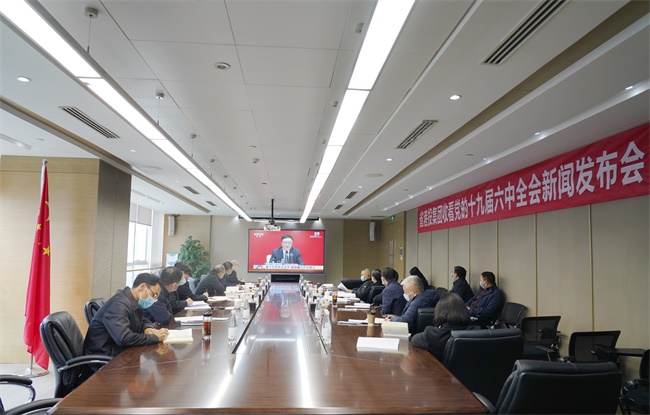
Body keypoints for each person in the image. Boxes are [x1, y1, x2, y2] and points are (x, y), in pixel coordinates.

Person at [83, 273, 168, 358]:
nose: (154, 299)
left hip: (118, 351)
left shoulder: (131, 301)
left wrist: (148, 328)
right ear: (142, 287)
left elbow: (142, 320)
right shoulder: (118, 305)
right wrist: (155, 338)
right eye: (154, 295)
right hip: (103, 356)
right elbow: (124, 338)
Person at [412, 292, 476, 360]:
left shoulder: (431, 333)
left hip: (437, 367)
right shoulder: (476, 332)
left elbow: (414, 339)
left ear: (439, 312)